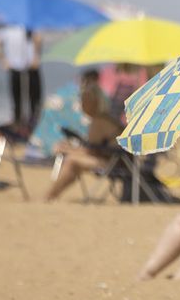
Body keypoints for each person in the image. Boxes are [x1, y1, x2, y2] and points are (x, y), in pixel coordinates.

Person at [43, 70, 125, 202]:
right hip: (115, 159)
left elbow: (92, 150)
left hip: (116, 163)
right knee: (73, 159)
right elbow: (95, 149)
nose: (82, 104)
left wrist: (68, 149)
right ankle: (50, 195)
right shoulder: (102, 118)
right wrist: (71, 149)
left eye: (85, 101)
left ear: (93, 102)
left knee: (72, 161)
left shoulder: (99, 122)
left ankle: (49, 196)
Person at [0, 24, 42, 131]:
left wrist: (36, 56)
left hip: (31, 67)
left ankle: (33, 125)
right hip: (16, 68)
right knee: (17, 101)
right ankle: (18, 125)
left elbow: (38, 39)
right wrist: (2, 59)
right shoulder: (8, 29)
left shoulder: (30, 27)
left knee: (35, 100)